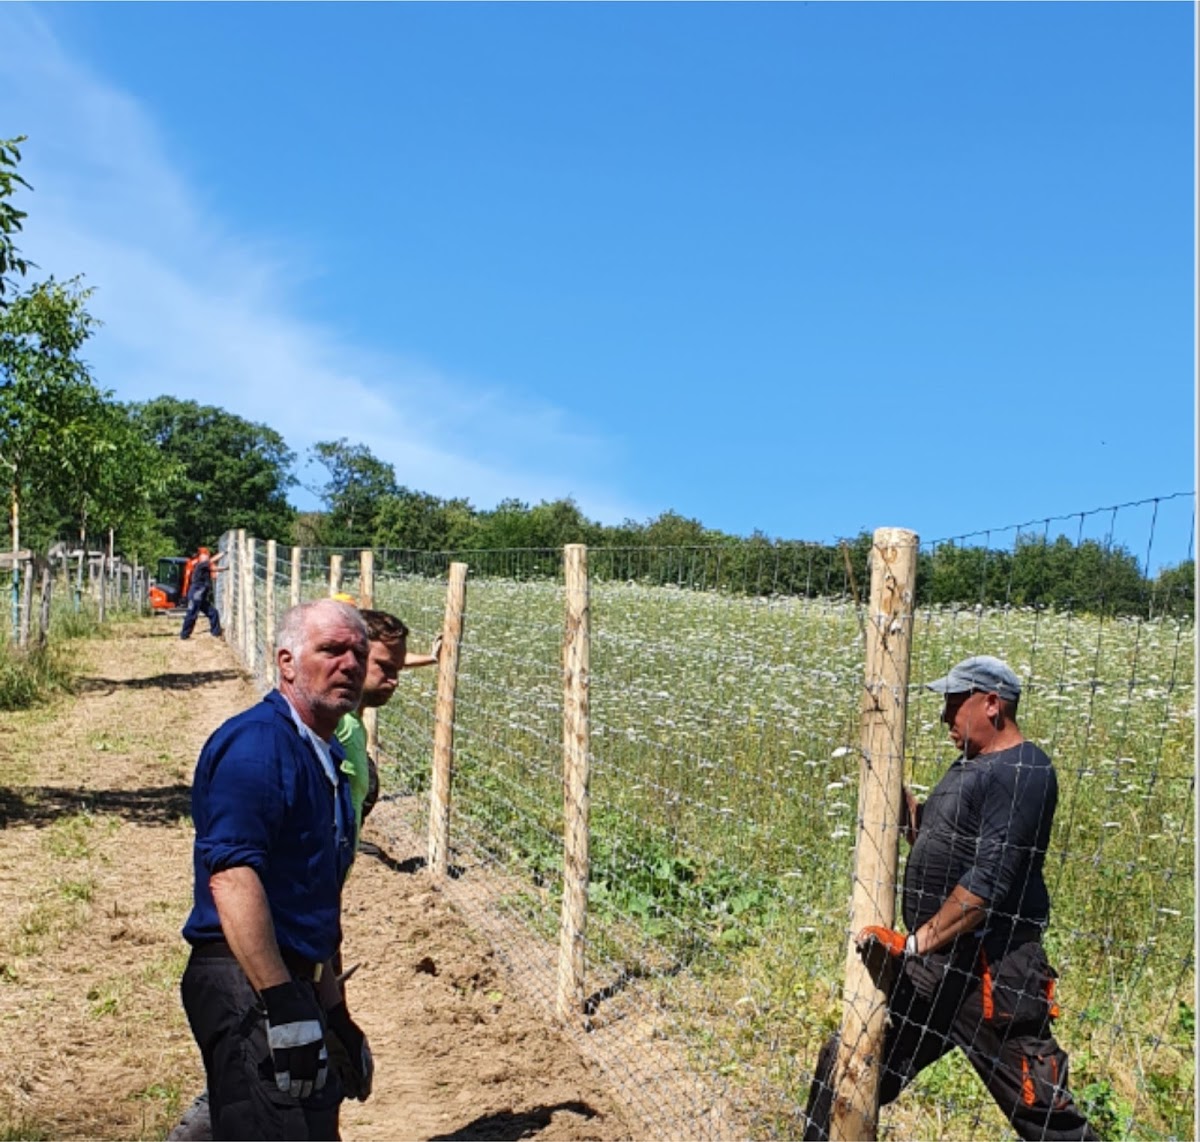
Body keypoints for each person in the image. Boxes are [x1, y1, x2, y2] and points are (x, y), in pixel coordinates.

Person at [803, 655, 1098, 1141]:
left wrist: (914, 944)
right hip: (934, 970)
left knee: (1045, 1115)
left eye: (954, 703)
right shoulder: (970, 766)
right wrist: (891, 793)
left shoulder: (1024, 770)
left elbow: (988, 883)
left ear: (991, 704)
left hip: (989, 977)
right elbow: (941, 842)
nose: (944, 716)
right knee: (850, 1061)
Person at [179, 598, 375, 1140]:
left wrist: (335, 1014)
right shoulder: (259, 745)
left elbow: (313, 898)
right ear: (286, 662)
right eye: (331, 650)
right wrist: (281, 1001)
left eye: (359, 653)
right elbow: (232, 877)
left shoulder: (326, 756)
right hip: (248, 980)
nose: (350, 664)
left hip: (293, 980)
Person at [334, 606, 440, 845]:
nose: (395, 682)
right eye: (385, 668)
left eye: (398, 670)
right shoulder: (333, 725)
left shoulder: (349, 722)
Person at [179, 546, 225, 640]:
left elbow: (215, 569)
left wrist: (227, 568)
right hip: (196, 595)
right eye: (205, 555)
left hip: (201, 596)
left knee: (213, 612)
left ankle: (216, 632)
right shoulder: (200, 565)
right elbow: (213, 560)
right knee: (192, 614)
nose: (207, 556)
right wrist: (225, 552)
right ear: (200, 557)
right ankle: (184, 635)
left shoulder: (205, 567)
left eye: (207, 555)